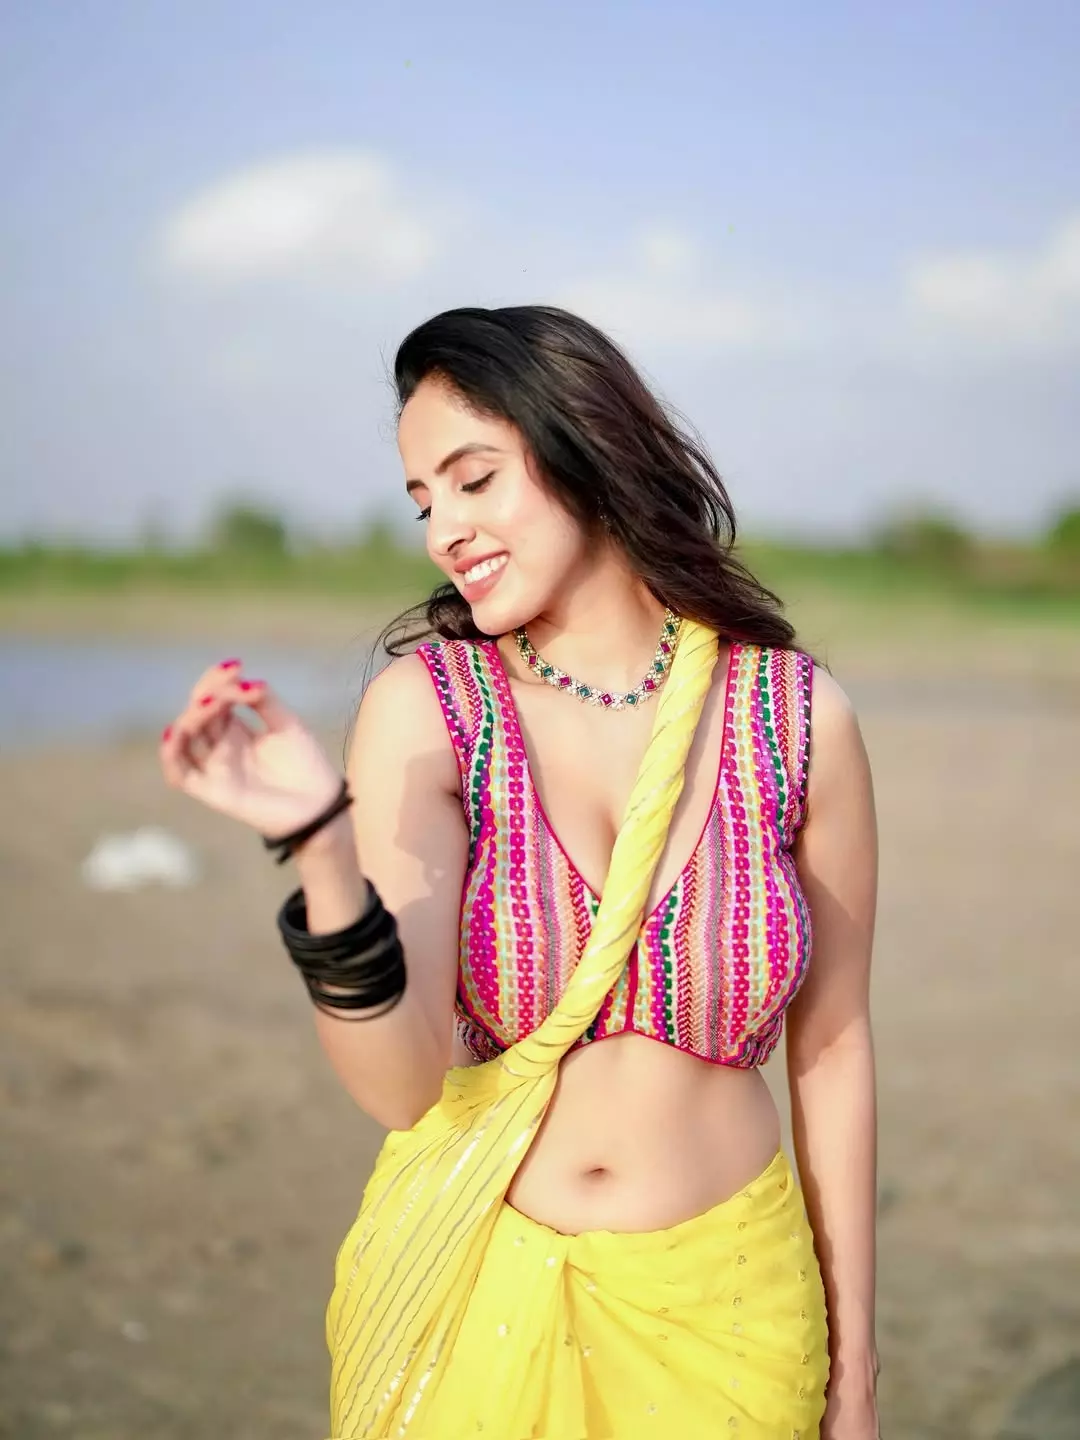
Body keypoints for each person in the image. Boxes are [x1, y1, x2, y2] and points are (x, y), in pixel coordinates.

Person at [160, 305, 880, 1439]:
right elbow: (399, 1087)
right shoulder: (430, 712)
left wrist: (856, 1369)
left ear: (584, 442)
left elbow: (832, 1050)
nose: (443, 530)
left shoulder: (795, 718)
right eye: (423, 501)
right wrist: (323, 849)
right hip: (481, 1293)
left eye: (474, 479)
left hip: (736, 1310)